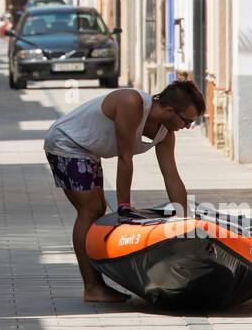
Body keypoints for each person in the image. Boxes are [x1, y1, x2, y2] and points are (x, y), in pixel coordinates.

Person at [43, 81, 205, 303]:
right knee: (90, 211)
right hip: (66, 143)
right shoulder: (131, 103)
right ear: (169, 110)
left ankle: (96, 283)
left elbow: (172, 177)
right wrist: (124, 207)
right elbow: (124, 159)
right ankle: (92, 287)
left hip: (89, 151)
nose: (187, 127)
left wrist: (185, 221)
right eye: (187, 121)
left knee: (98, 209)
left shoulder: (165, 134)